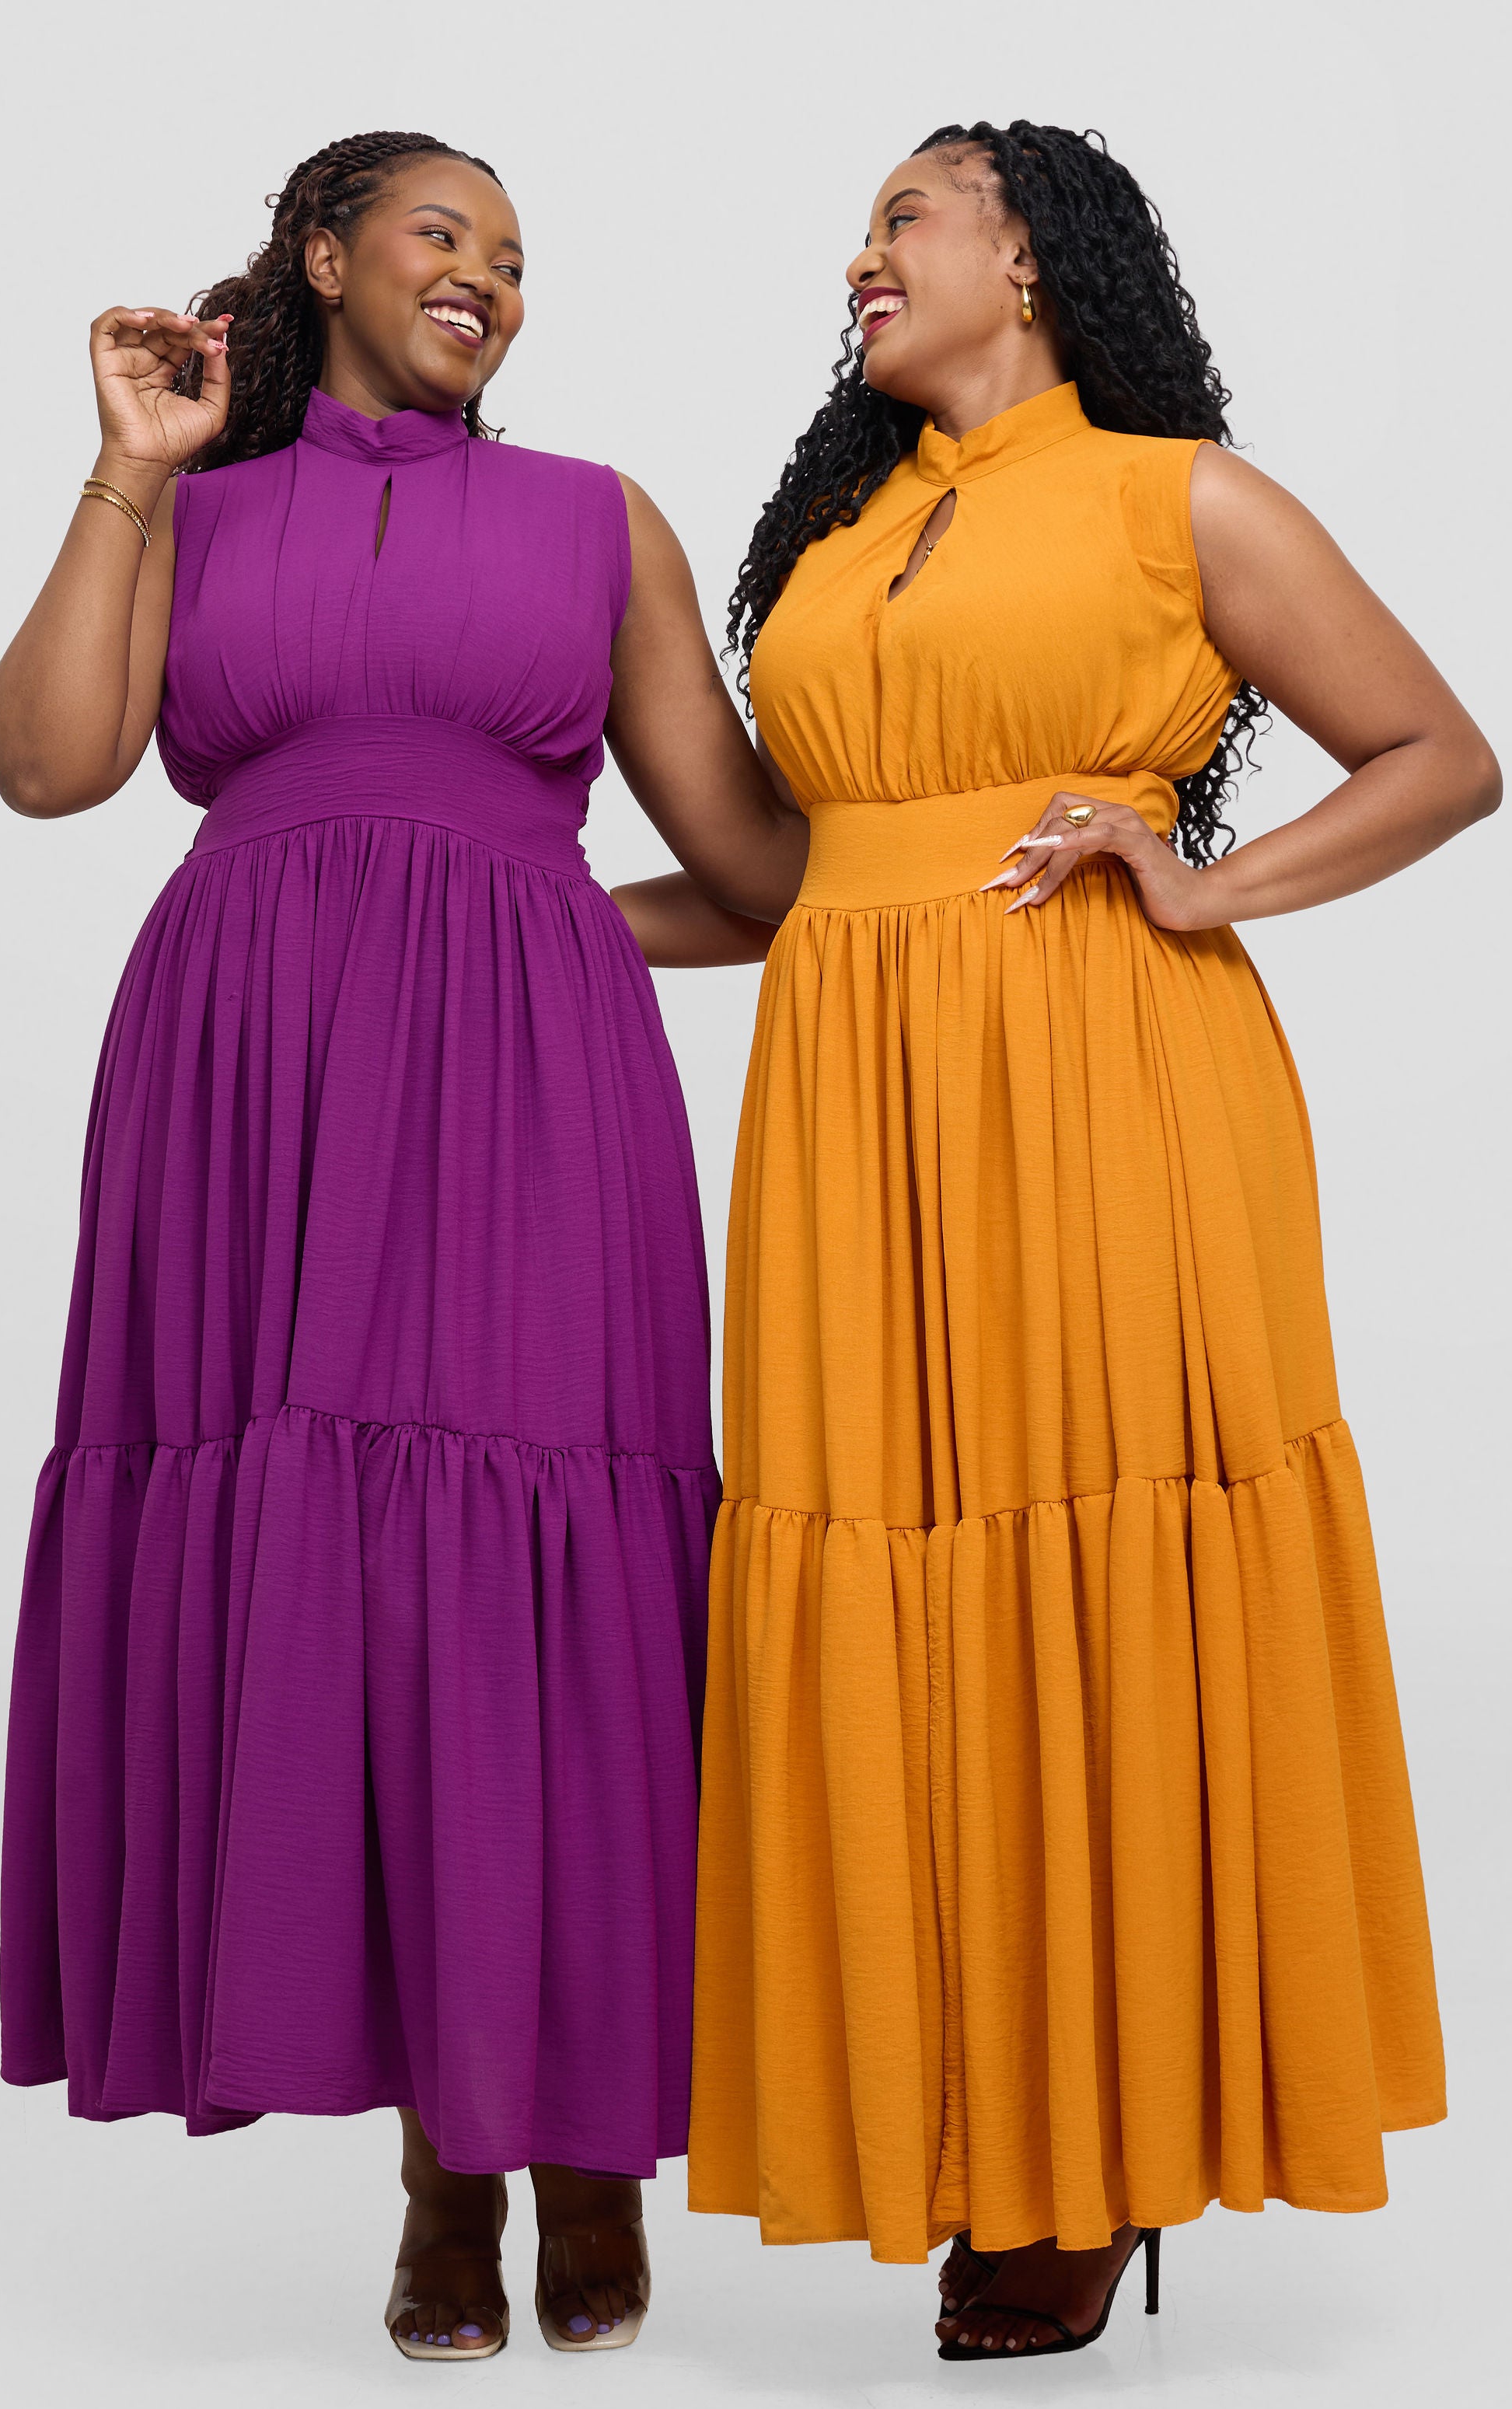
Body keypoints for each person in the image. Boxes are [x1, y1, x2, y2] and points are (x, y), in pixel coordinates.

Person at [613, 118, 1496, 2360]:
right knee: (887, 1574)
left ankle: (1096, 2151)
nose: (865, 254)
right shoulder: (833, 545)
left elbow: (1438, 752)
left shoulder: (1177, 497)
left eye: (907, 214)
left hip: (1108, 1088)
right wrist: (518, 922)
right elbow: (797, 878)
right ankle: (960, 2127)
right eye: (864, 227)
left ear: (1030, 254)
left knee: (1096, 1561)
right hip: (852, 1112)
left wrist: (1209, 883)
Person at [0, 127, 787, 2362]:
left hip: (530, 1077)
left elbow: (756, 871)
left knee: (547, 1572)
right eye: (447, 237)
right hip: (247, 1077)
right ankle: (447, 2161)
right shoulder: (197, 506)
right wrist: (131, 465)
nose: (488, 282)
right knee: (327, 1576)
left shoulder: (599, 520)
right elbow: (46, 764)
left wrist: (535, 916)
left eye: (516, 261)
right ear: (325, 256)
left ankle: (586, 2141)